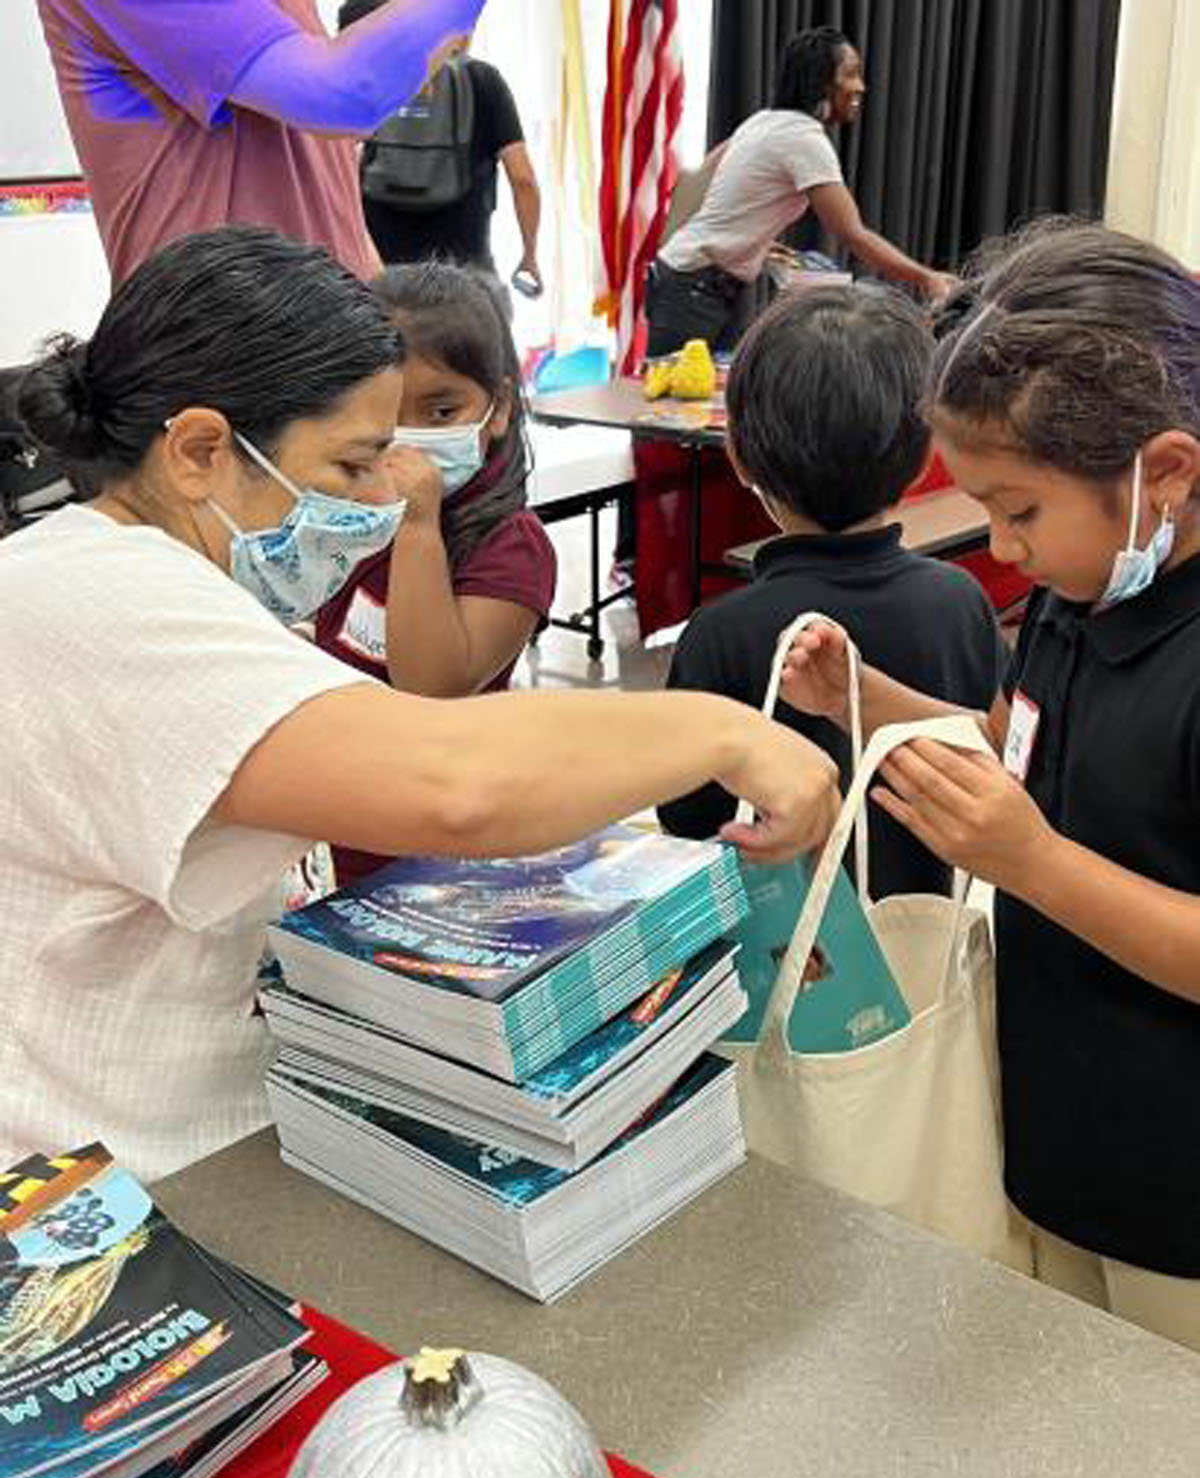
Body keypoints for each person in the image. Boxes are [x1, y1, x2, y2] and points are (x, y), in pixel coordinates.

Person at [0, 226, 839, 1183]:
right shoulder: (120, 602)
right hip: (110, 1173)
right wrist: (723, 731)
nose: (373, 500)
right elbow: (454, 780)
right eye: (352, 466)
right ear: (199, 452)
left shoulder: (93, 571)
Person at [779, 220, 1200, 1350]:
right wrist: (867, 698)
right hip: (1062, 1117)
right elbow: (1025, 744)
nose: (1000, 548)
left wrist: (1035, 863)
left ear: (1163, 472)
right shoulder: (1085, 584)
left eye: (1019, 510)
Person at [658, 284, 1006, 901]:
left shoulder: (722, 630)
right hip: (921, 927)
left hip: (785, 952)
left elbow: (685, 818)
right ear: (926, 454)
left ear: (737, 456)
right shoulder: (960, 599)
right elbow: (991, 753)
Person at [315, 259, 556, 883]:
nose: (411, 442)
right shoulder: (356, 515)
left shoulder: (511, 547)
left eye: (442, 411)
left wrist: (418, 525)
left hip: (441, 843)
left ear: (497, 408)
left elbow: (432, 687)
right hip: (348, 814)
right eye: (389, 416)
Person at [35, 0, 485, 285]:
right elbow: (345, 94)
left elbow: (322, 188)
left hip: (322, 352)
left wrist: (385, 321)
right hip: (228, 365)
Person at [645, 25, 955, 358]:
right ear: (822, 82)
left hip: (690, 279)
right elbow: (853, 234)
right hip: (695, 287)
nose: (861, 87)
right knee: (678, 405)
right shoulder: (804, 139)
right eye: (851, 74)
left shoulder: (763, 120)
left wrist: (752, 237)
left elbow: (701, 177)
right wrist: (926, 278)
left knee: (709, 400)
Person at [338, 5, 542, 293]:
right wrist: (530, 255)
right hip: (466, 278)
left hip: (384, 277)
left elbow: (339, 165)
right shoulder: (484, 81)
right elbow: (523, 180)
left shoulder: (374, 78)